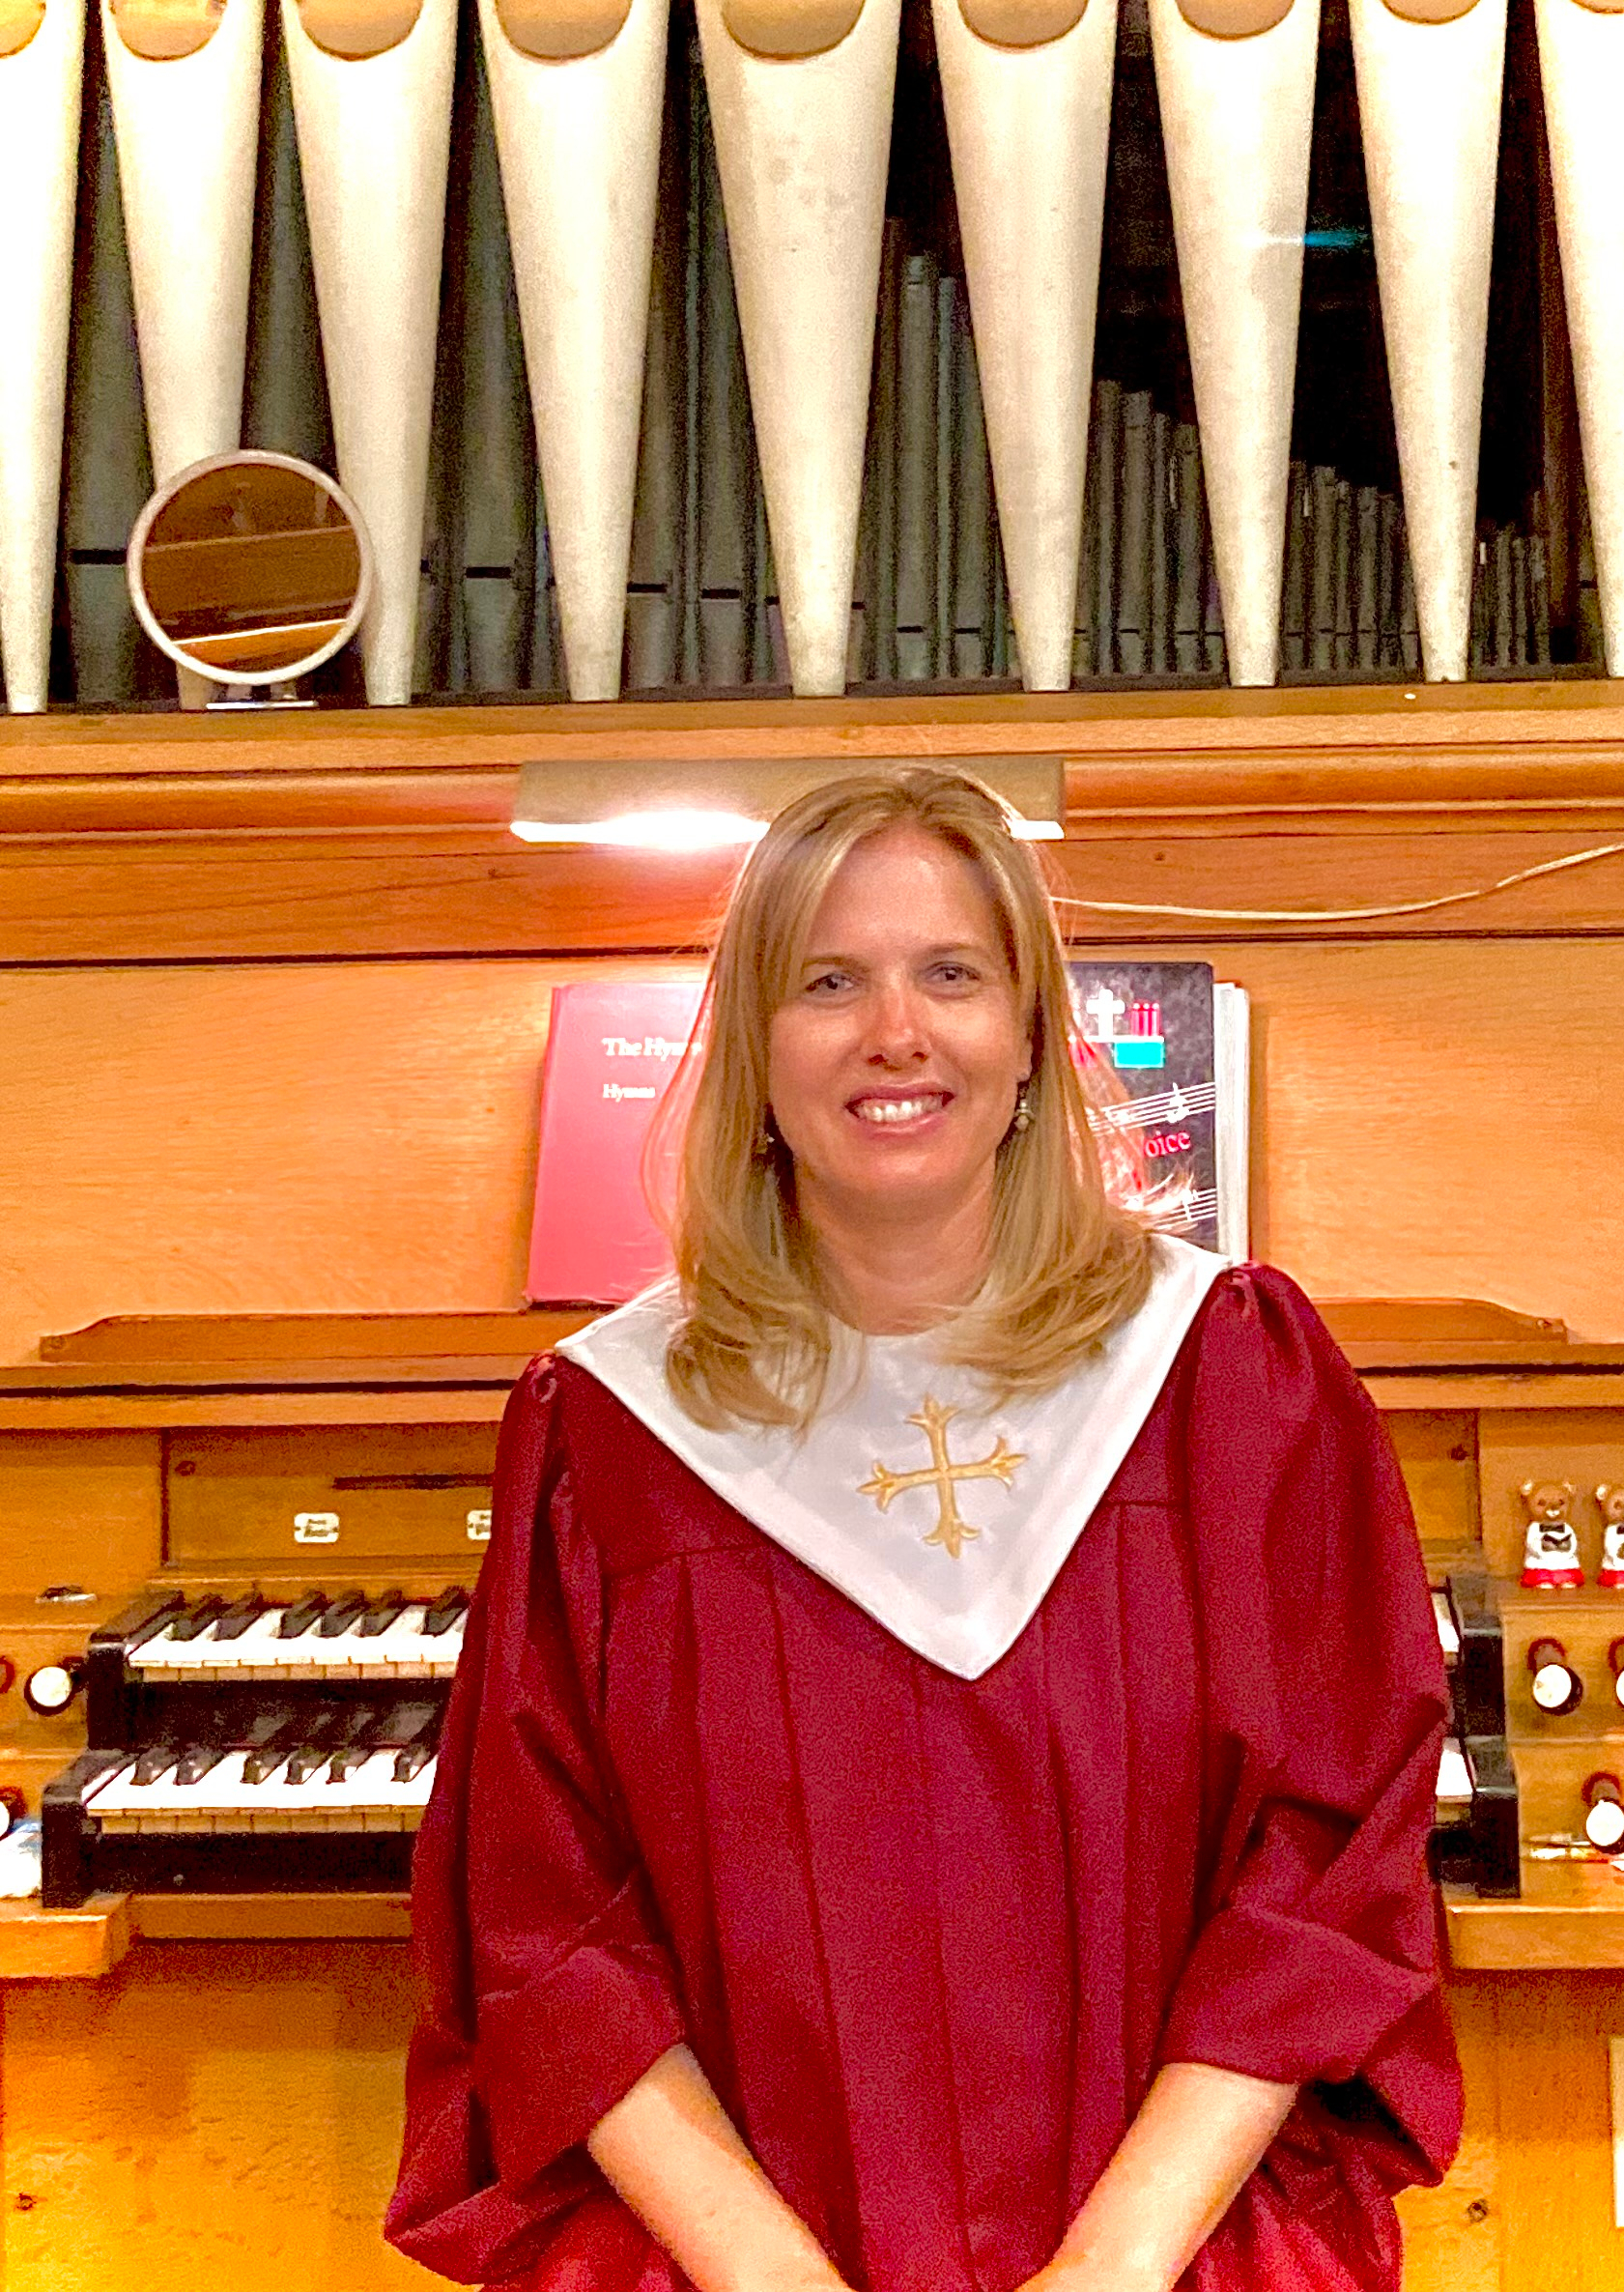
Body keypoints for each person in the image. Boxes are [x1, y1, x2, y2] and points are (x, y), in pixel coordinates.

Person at [386, 766, 1461, 2292]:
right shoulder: (608, 1434)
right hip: (730, 2256)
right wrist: (770, 2276)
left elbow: (1331, 1859)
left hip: (1170, 2246)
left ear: (1031, 1038)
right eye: (828, 982)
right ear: (756, 1052)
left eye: (950, 974)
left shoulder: (1231, 1376)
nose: (896, 1033)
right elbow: (545, 1913)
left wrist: (1114, 2267)